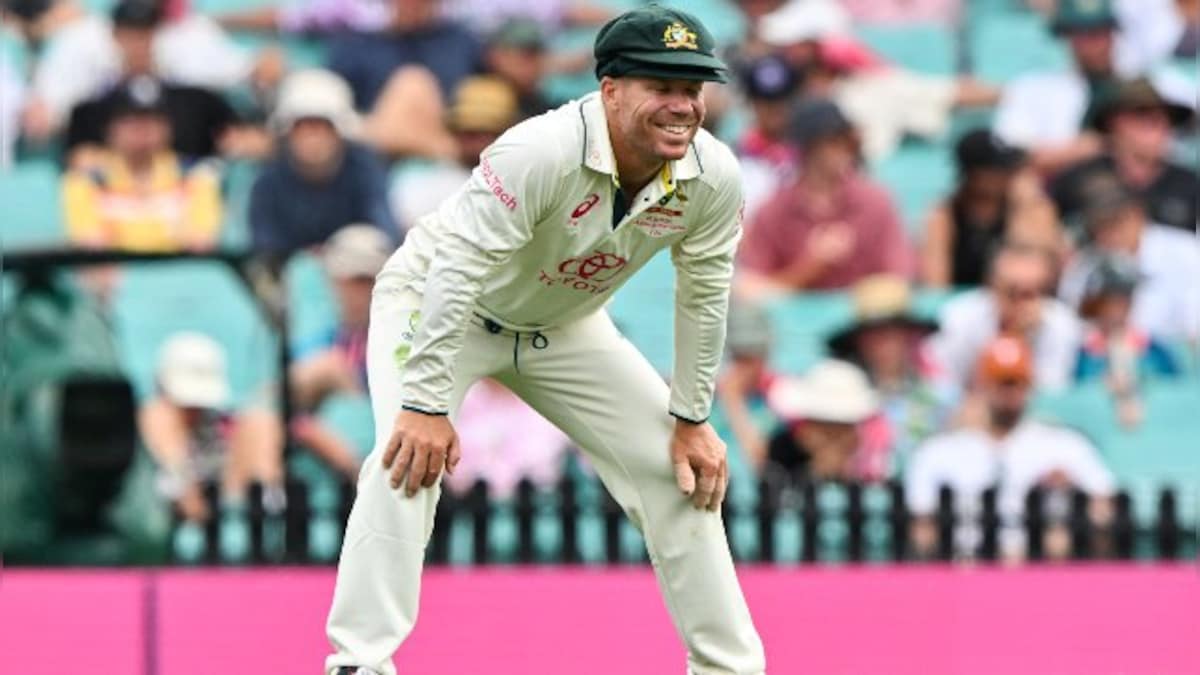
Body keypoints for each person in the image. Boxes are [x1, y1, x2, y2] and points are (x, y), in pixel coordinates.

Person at [324, 6, 764, 675]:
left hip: (563, 322)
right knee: (406, 458)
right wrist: (426, 401)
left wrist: (693, 414)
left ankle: (729, 668)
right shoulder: (540, 151)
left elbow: (703, 297)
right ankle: (359, 662)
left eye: (693, 88)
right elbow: (458, 269)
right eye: (662, 86)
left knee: (681, 474)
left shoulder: (713, 175)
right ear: (609, 89)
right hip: (441, 303)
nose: (682, 106)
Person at [906, 336, 1116, 562]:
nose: (1009, 392)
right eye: (1000, 382)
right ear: (981, 384)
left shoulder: (1064, 445)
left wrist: (1074, 505)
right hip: (964, 568)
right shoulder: (940, 451)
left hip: (1042, 570)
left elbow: (1107, 509)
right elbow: (920, 527)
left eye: (1016, 382)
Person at [735, 98, 913, 298]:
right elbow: (750, 289)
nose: (844, 149)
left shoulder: (877, 202)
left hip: (862, 325)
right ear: (807, 148)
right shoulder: (773, 211)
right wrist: (811, 266)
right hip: (792, 326)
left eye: (847, 140)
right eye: (832, 141)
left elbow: (899, 277)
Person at [249, 69, 400, 258]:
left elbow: (383, 235)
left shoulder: (365, 171)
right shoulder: (268, 181)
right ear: (288, 133)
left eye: (321, 127)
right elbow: (266, 247)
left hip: (358, 273)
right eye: (302, 128)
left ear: (339, 132)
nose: (312, 138)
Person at [61, 75, 222, 252]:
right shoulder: (86, 180)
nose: (142, 129)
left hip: (178, 274)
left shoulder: (195, 177)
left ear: (168, 127)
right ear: (110, 129)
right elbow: (90, 245)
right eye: (131, 120)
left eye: (152, 119)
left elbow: (201, 242)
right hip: (116, 276)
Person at [138, 332, 284, 525]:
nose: (194, 409)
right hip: (170, 511)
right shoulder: (154, 417)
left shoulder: (222, 424)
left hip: (228, 505)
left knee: (261, 421)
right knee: (156, 414)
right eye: (185, 403)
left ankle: (265, 508)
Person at [291, 225, 395, 480]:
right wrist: (312, 433)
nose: (360, 292)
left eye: (368, 280)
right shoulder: (316, 337)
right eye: (352, 280)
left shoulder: (398, 338)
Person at [825, 276, 951, 476]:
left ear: (909, 334)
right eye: (872, 335)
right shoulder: (837, 397)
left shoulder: (942, 396)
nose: (882, 344)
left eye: (891, 333)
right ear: (858, 341)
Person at [1057, 171, 1200, 342]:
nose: (1107, 236)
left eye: (1114, 224)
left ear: (1136, 215)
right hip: (1103, 355)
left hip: (1173, 357)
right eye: (1098, 228)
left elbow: (1193, 325)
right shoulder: (1087, 263)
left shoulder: (1185, 251)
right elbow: (1071, 322)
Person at [992, 0, 1128, 174]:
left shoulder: (1150, 83)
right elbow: (1010, 153)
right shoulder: (1032, 89)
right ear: (1067, 37)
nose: (1094, 44)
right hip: (1057, 190)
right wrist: (1088, 148)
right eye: (1082, 34)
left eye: (1100, 32)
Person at [1049, 77, 1197, 234]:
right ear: (1113, 122)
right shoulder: (1079, 178)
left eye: (1167, 117)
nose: (1159, 123)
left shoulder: (1190, 184)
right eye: (1143, 114)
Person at [926, 243, 1082, 391]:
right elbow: (941, 387)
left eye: (1033, 293)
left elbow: (1050, 397)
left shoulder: (1062, 325)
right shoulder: (960, 317)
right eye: (1013, 293)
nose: (1024, 304)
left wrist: (1024, 339)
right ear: (992, 288)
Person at [921, 129, 1061, 288]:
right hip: (964, 307)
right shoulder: (945, 215)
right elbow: (936, 286)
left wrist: (1023, 209)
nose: (1009, 175)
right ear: (973, 175)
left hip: (1018, 302)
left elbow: (1038, 275)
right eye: (999, 170)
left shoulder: (1032, 207)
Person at [389, 75, 520, 231]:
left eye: (490, 132)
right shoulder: (419, 177)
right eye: (470, 132)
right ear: (454, 130)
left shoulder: (526, 180)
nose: (479, 142)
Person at [1073, 254, 1180, 428]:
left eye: (1126, 297)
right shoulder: (1083, 352)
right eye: (1113, 298)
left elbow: (1176, 391)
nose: (1121, 306)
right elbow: (1077, 393)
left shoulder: (1155, 349)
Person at [762, 359, 885, 483]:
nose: (834, 443)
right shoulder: (780, 457)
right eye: (827, 431)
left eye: (842, 430)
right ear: (806, 433)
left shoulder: (874, 464)